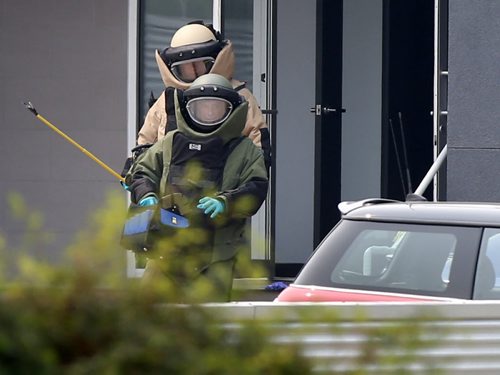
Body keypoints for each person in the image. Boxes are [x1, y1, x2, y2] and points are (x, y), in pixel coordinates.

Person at [125, 74, 268, 302]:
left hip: (217, 253)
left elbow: (257, 187)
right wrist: (147, 195)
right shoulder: (170, 142)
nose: (209, 113)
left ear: (231, 111)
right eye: (201, 107)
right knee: (148, 311)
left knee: (208, 321)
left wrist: (225, 202)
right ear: (188, 109)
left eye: (216, 107)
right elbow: (141, 172)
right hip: (166, 247)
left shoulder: (245, 150)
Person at [137, 20, 271, 169]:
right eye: (185, 68)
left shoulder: (238, 96)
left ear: (216, 60)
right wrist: (139, 175)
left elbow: (258, 146)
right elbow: (146, 144)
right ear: (174, 69)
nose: (194, 72)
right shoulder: (168, 99)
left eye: (199, 65)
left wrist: (247, 183)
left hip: (225, 186)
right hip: (170, 187)